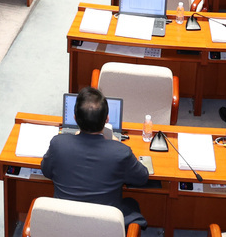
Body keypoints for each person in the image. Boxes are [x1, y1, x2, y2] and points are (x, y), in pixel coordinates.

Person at [42, 86, 149, 224]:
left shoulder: (58, 144)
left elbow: (46, 171)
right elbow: (142, 178)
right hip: (104, 226)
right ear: (107, 119)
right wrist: (117, 144)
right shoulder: (121, 152)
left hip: (65, 224)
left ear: (75, 118)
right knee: (131, 204)